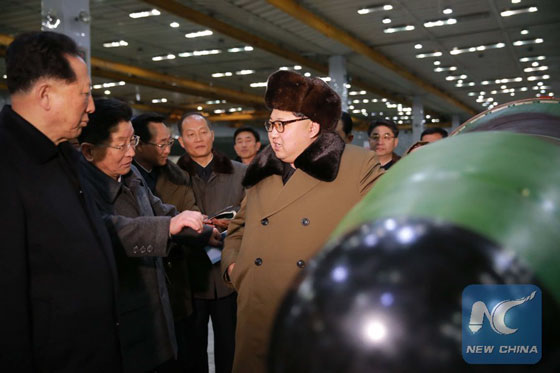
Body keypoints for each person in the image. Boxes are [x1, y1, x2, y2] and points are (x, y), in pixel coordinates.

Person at [220, 70, 384, 373]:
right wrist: (236, 269)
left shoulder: (357, 165)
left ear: (312, 127)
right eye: (271, 123)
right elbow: (239, 226)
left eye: (282, 124)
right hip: (255, 313)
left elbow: (383, 238)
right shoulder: (262, 168)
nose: (273, 132)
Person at [0, 31, 121, 372]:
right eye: (85, 94)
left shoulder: (65, 155)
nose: (92, 105)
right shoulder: (8, 168)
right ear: (46, 95)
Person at [78, 98, 221, 372]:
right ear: (88, 151)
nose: (131, 153)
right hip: (122, 320)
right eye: (121, 145)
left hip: (158, 312)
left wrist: (200, 229)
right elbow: (104, 227)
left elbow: (158, 208)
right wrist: (168, 227)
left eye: (133, 141)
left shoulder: (129, 172)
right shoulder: (80, 186)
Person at [176, 112, 247, 373]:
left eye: (203, 132)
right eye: (191, 134)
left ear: (212, 135)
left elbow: (254, 216)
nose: (199, 138)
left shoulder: (240, 173)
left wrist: (235, 222)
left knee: (231, 348)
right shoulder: (173, 177)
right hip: (190, 278)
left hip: (229, 274)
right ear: (181, 141)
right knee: (192, 352)